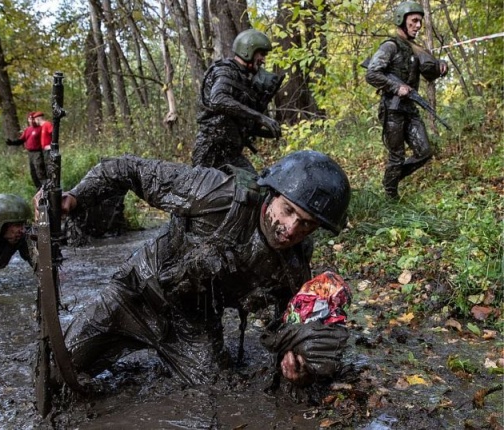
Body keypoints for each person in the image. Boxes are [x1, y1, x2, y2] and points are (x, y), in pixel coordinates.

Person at [36, 150, 351, 391]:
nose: (290, 229)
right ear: (270, 195)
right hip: (134, 295)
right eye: (288, 211)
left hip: (193, 323)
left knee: (215, 391)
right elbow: (128, 169)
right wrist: (75, 197)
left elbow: (284, 319)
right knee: (57, 374)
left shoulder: (293, 264)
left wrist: (291, 353)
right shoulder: (215, 193)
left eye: (307, 225)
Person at [365, 1, 448, 200]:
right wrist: (396, 87)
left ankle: (390, 179)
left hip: (410, 109)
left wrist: (441, 66)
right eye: (414, 21)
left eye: (420, 21)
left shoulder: (415, 49)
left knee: (425, 152)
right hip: (392, 110)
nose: (418, 25)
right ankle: (390, 196)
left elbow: (430, 71)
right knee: (397, 156)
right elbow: (372, 74)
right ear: (402, 21)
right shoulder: (390, 46)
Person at [192, 28, 285, 173]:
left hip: (231, 153)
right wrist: (261, 117)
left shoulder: (244, 78)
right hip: (210, 151)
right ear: (248, 51)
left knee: (255, 188)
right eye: (261, 54)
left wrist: (269, 131)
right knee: (202, 192)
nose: (263, 60)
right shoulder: (225, 71)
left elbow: (236, 119)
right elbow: (218, 99)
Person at [7, 112, 48, 189]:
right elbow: (22, 140)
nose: (31, 121)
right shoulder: (27, 130)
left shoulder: (40, 128)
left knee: (40, 170)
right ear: (28, 120)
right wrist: (12, 143)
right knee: (33, 172)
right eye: (30, 119)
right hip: (30, 153)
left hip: (38, 152)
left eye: (33, 119)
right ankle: (38, 188)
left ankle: (46, 187)